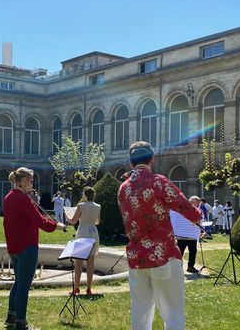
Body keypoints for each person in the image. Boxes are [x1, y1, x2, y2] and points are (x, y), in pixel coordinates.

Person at [117, 141, 201, 330]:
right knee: (173, 315)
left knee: (140, 315)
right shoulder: (158, 181)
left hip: (136, 258)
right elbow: (188, 209)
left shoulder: (123, 188)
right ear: (152, 159)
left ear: (131, 162)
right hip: (163, 256)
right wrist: (198, 215)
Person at [3, 167, 66, 330]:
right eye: (31, 180)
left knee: (18, 282)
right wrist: (56, 226)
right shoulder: (23, 199)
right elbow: (38, 220)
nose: (32, 183)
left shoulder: (9, 197)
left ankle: (11, 316)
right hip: (27, 247)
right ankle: (20, 323)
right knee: (24, 286)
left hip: (14, 247)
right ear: (23, 180)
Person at [67, 186, 101, 295]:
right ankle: (89, 288)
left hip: (82, 231)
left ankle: (76, 288)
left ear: (84, 195)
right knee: (90, 263)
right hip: (93, 232)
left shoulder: (81, 205)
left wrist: (67, 215)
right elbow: (97, 222)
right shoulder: (98, 206)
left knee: (79, 263)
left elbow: (73, 221)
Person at [176, 196, 202, 274]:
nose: (197, 205)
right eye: (196, 203)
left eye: (197, 204)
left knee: (193, 251)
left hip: (192, 235)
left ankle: (190, 267)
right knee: (179, 252)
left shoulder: (197, 211)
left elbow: (198, 222)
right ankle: (177, 268)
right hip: (182, 235)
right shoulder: (182, 209)